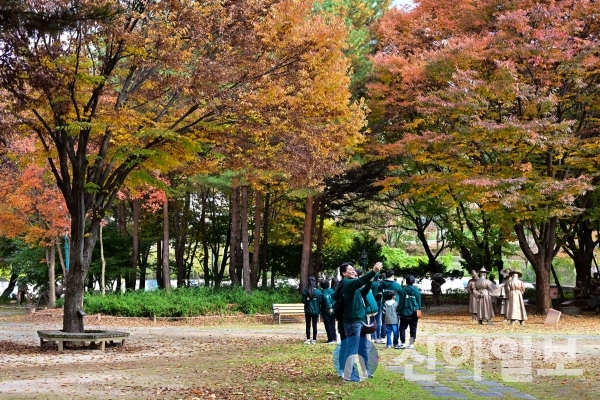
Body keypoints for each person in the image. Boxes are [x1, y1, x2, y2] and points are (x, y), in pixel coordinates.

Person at [333, 261, 382, 382]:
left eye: (353, 268)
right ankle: (348, 375)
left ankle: (365, 371)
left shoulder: (352, 286)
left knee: (362, 347)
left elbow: (362, 292)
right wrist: (373, 271)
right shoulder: (347, 283)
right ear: (344, 273)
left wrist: (369, 283)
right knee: (351, 348)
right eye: (350, 269)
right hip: (352, 321)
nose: (353, 270)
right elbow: (359, 282)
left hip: (359, 320)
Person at [397, 274, 421, 349]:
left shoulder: (403, 290)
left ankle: (403, 342)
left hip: (404, 312)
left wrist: (399, 311)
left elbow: (401, 302)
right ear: (413, 281)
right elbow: (419, 301)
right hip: (414, 312)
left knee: (402, 327)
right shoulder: (416, 290)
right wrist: (419, 310)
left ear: (406, 281)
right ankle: (411, 343)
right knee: (413, 328)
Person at [302, 276, 322, 344]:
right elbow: (320, 301)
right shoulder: (318, 292)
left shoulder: (305, 291)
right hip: (316, 311)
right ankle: (314, 340)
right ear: (315, 282)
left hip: (308, 310)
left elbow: (303, 301)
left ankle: (308, 339)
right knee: (315, 325)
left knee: (308, 325)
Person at [319, 279, 336, 344]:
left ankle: (330, 339)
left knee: (327, 324)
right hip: (334, 309)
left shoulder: (323, 293)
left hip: (326, 310)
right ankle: (334, 338)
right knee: (332, 323)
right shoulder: (332, 291)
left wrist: (329, 307)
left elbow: (324, 300)